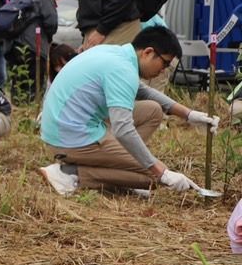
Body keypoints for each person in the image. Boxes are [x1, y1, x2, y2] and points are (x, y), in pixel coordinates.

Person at [38, 25, 219, 197]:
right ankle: (70, 174)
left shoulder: (118, 54)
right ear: (148, 52)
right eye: (164, 64)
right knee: (152, 176)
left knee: (152, 111)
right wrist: (161, 172)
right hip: (69, 140)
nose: (163, 71)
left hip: (63, 130)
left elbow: (144, 92)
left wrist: (189, 115)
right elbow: (123, 129)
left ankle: (117, 166)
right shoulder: (122, 69)